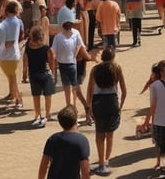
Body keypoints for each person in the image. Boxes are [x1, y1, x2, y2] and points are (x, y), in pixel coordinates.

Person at [86, 46, 127, 176]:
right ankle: (106, 160)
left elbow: (90, 90)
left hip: (98, 102)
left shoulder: (95, 69)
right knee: (110, 134)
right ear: (113, 57)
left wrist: (88, 107)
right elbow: (124, 91)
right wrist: (120, 106)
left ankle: (101, 163)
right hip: (112, 101)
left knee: (99, 134)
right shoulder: (117, 68)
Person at [38, 105, 91, 179]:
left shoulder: (53, 139)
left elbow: (44, 164)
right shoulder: (82, 141)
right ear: (75, 121)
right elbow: (85, 170)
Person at [24, 25, 56, 128]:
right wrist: (53, 73)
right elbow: (51, 61)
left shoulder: (28, 47)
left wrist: (24, 75)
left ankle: (37, 114)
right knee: (48, 95)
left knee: (36, 96)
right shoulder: (46, 48)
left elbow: (25, 62)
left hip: (33, 74)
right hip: (45, 74)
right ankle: (47, 114)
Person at [51, 19, 87, 109]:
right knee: (67, 87)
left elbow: (81, 45)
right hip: (62, 64)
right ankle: (69, 106)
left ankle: (74, 106)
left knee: (74, 88)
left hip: (72, 64)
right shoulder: (58, 37)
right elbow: (53, 51)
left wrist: (77, 53)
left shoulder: (75, 33)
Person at [0, 0, 23, 109]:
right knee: (12, 77)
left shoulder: (11, 22)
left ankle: (18, 98)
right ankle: (13, 95)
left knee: (12, 78)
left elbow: (8, 42)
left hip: (9, 54)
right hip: (10, 54)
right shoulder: (14, 21)